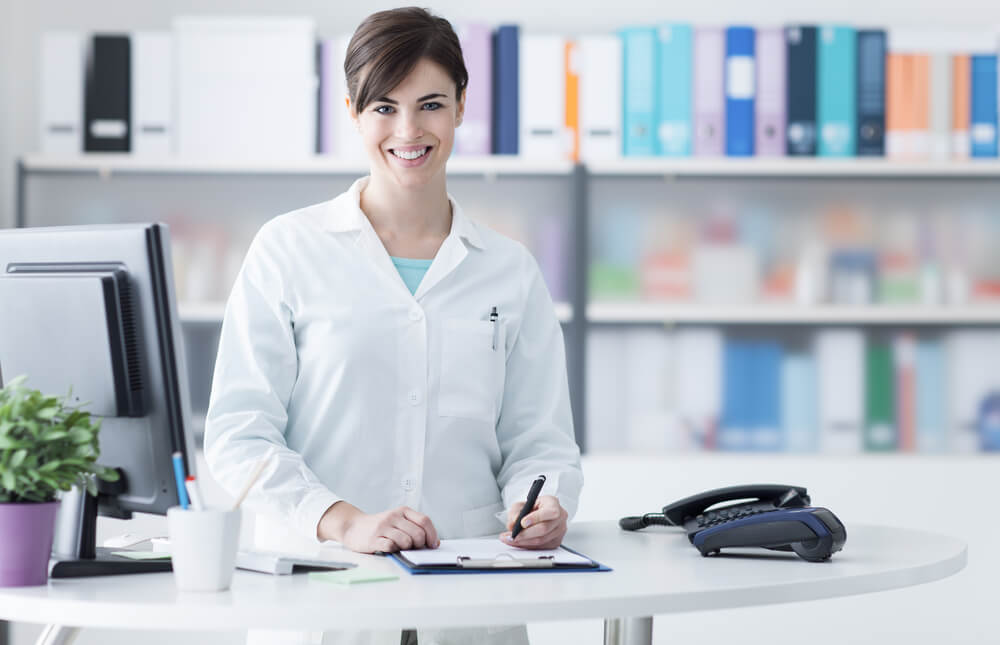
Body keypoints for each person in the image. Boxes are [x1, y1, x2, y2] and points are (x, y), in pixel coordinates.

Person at [204, 7, 582, 645]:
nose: (408, 129)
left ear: (462, 106)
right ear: (352, 110)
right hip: (325, 588)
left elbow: (540, 441)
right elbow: (239, 435)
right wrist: (340, 519)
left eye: (430, 104)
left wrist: (539, 503)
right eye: (383, 107)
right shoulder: (288, 249)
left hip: (471, 592)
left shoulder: (510, 271)